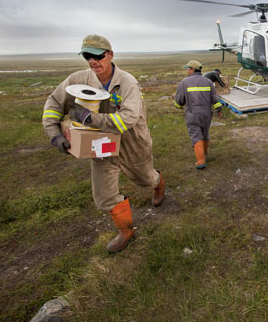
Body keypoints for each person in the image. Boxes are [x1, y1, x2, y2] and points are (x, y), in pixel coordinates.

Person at [42, 34, 165, 253]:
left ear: (110, 55)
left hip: (132, 143)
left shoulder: (127, 82)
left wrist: (90, 118)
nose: (93, 61)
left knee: (145, 178)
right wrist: (54, 134)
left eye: (97, 56)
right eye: (88, 56)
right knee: (104, 196)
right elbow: (53, 104)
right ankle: (126, 231)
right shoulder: (77, 80)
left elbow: (127, 118)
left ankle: (158, 183)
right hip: (101, 144)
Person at [174, 60, 224, 170]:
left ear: (192, 69)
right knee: (205, 133)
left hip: (193, 114)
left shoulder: (184, 82)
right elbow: (215, 99)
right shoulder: (208, 82)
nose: (187, 70)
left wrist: (178, 106)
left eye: (188, 68)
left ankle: (201, 161)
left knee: (196, 135)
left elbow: (179, 100)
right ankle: (204, 154)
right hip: (207, 113)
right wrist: (219, 110)